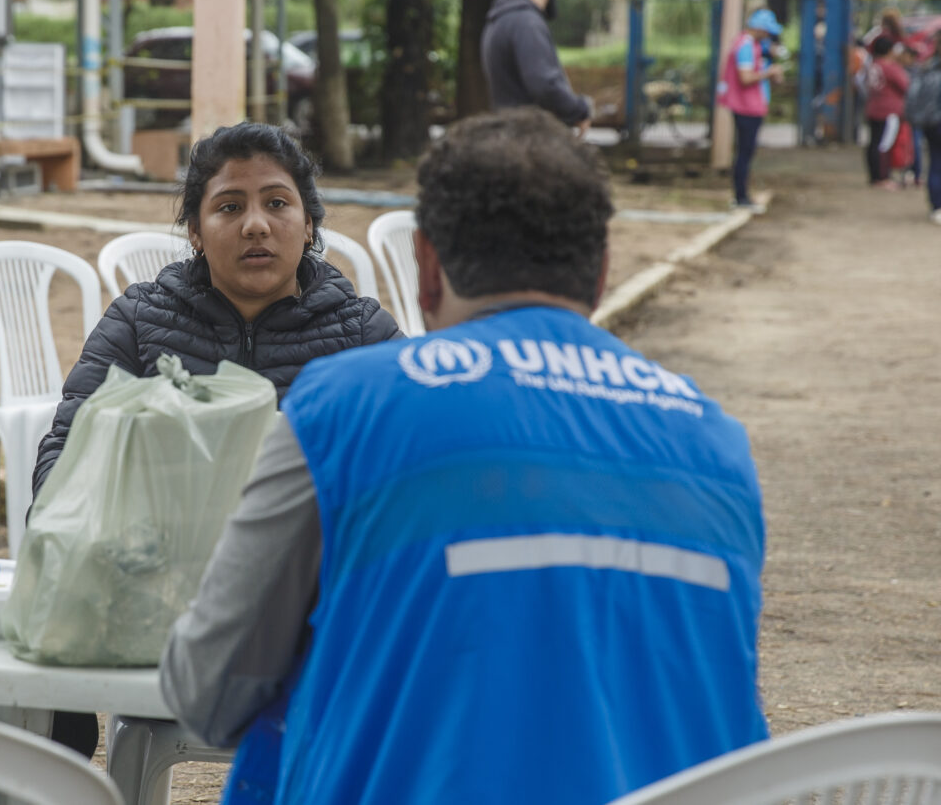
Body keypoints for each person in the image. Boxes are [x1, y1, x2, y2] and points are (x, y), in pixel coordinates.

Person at [159, 108, 769, 804]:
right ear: (600, 272)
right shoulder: (717, 442)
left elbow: (206, 690)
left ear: (425, 266)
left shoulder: (347, 407)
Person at [31, 121, 401, 495]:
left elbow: (419, 456)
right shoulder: (137, 322)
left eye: (276, 203)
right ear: (196, 232)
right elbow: (65, 455)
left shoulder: (364, 336)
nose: (255, 226)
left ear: (307, 225)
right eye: (230, 207)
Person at [481, 0, 592, 131]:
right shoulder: (526, 22)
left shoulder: (499, 19)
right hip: (531, 141)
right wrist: (579, 111)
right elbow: (544, 84)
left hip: (509, 135)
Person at [717, 8, 786, 211]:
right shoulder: (745, 46)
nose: (768, 35)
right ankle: (741, 197)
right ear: (758, 28)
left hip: (751, 106)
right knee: (744, 153)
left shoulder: (753, 45)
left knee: (746, 152)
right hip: (746, 107)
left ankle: (743, 195)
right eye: (766, 30)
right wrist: (769, 72)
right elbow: (745, 77)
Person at [864, 35, 911, 190]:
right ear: (890, 50)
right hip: (888, 112)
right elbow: (906, 85)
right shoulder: (890, 67)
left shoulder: (872, 65)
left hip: (873, 109)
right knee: (884, 145)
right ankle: (882, 178)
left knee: (874, 143)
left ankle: (874, 176)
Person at [905, 29, 941, 222]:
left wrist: (915, 119)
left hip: (930, 123)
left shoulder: (926, 67)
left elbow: (912, 95)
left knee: (935, 162)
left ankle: (937, 206)